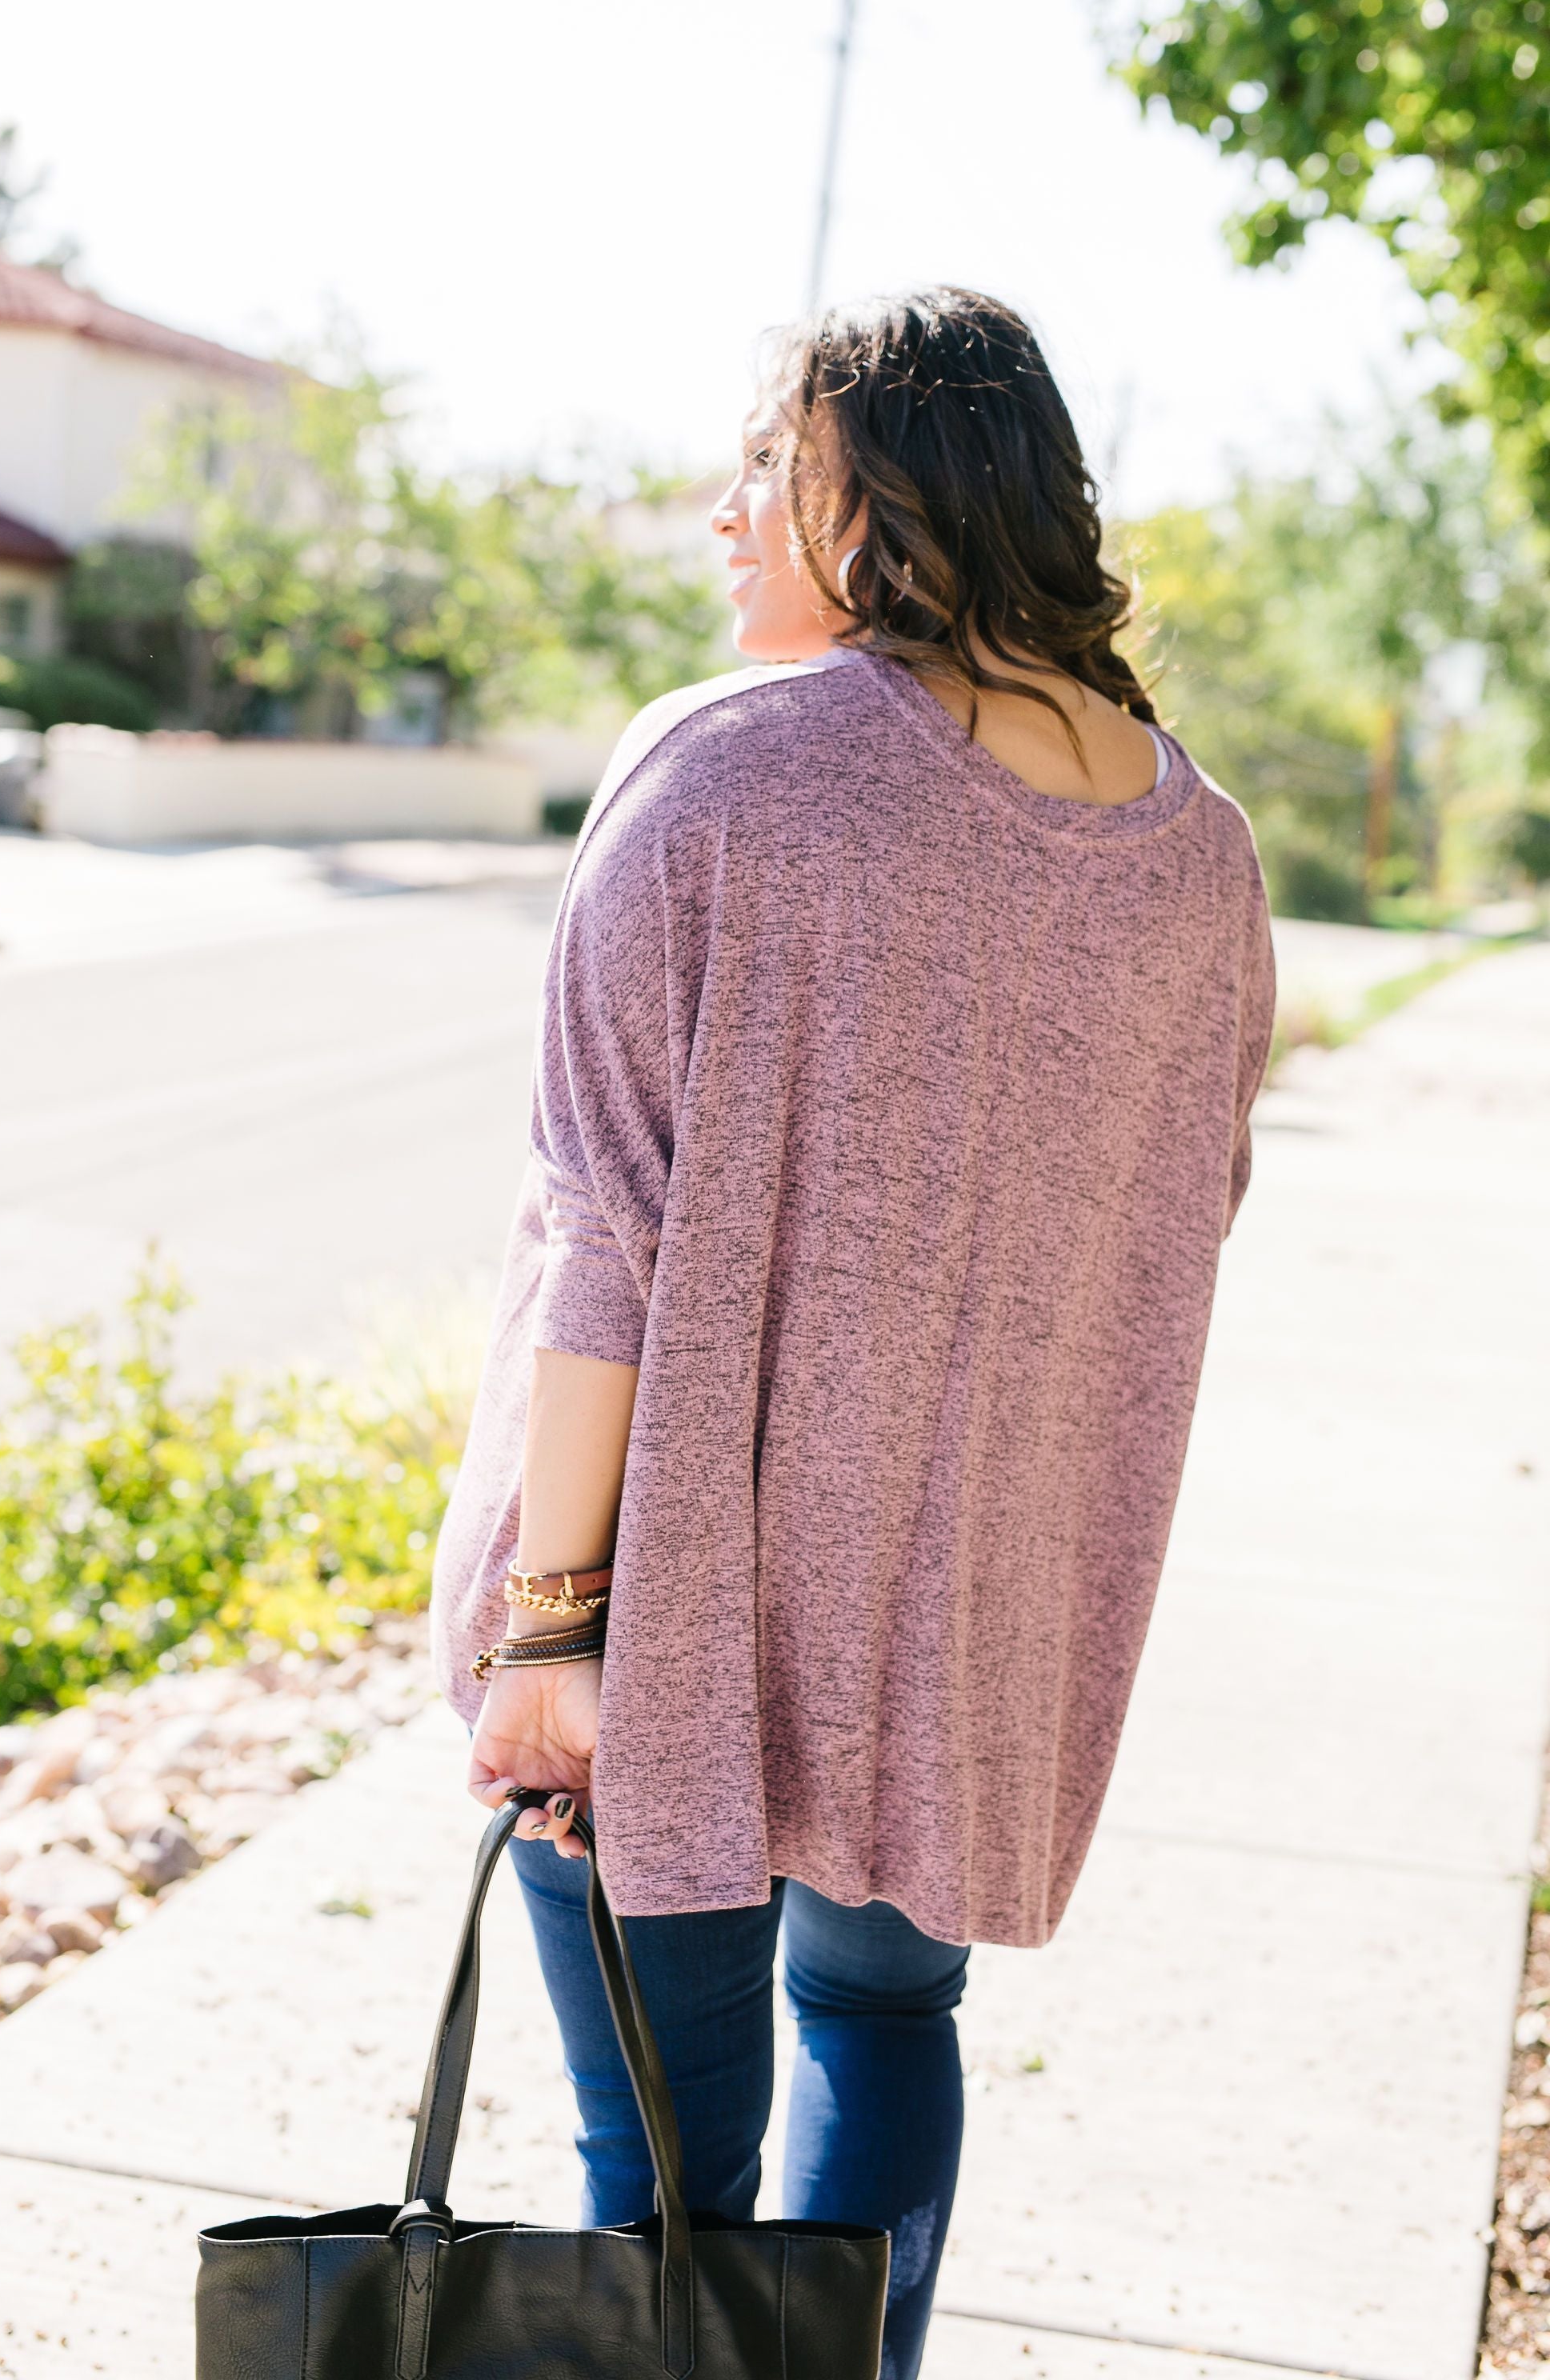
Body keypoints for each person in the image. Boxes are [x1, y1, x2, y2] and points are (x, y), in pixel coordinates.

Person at [433, 286, 1276, 2380]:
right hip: (968, 1614)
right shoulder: (1209, 862)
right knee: (890, 2022)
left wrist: (552, 1633)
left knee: (661, 2204)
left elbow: (599, 1233)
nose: (722, 515)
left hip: (669, 1615)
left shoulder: (727, 769)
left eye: (760, 466)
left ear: (876, 493)